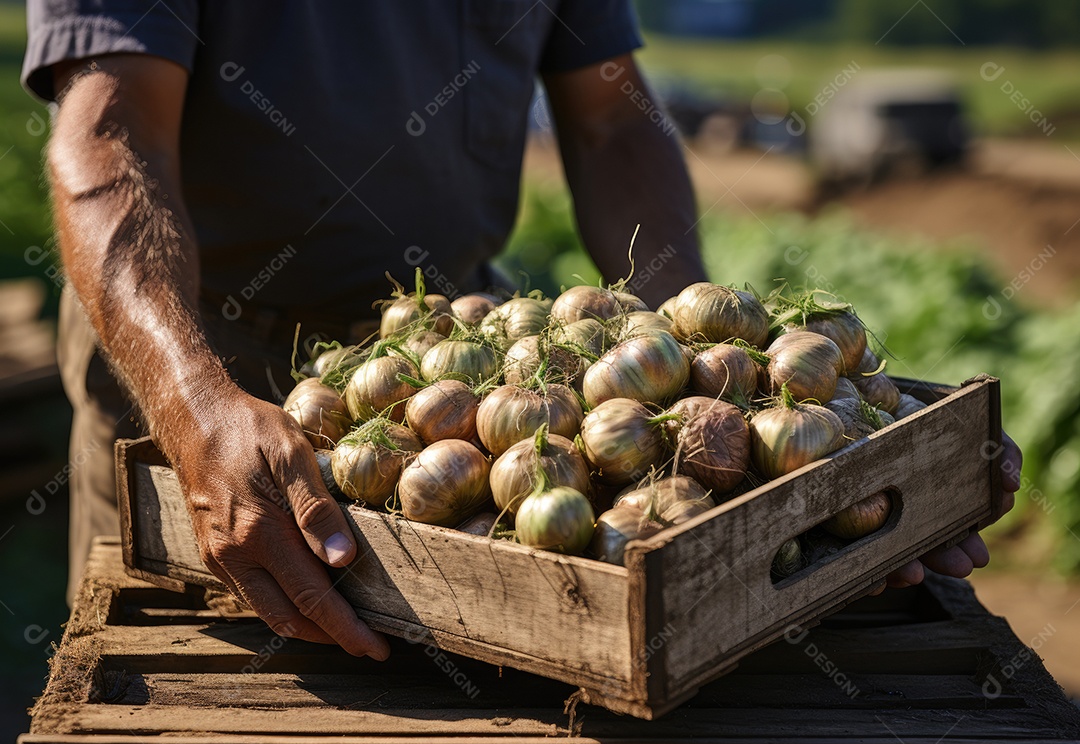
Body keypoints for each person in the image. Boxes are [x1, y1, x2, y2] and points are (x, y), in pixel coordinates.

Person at [23, 1, 1021, 660]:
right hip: (201, 384)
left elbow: (612, 118)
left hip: (455, 362)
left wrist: (712, 375)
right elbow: (108, 133)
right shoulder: (196, 405)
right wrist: (196, 405)